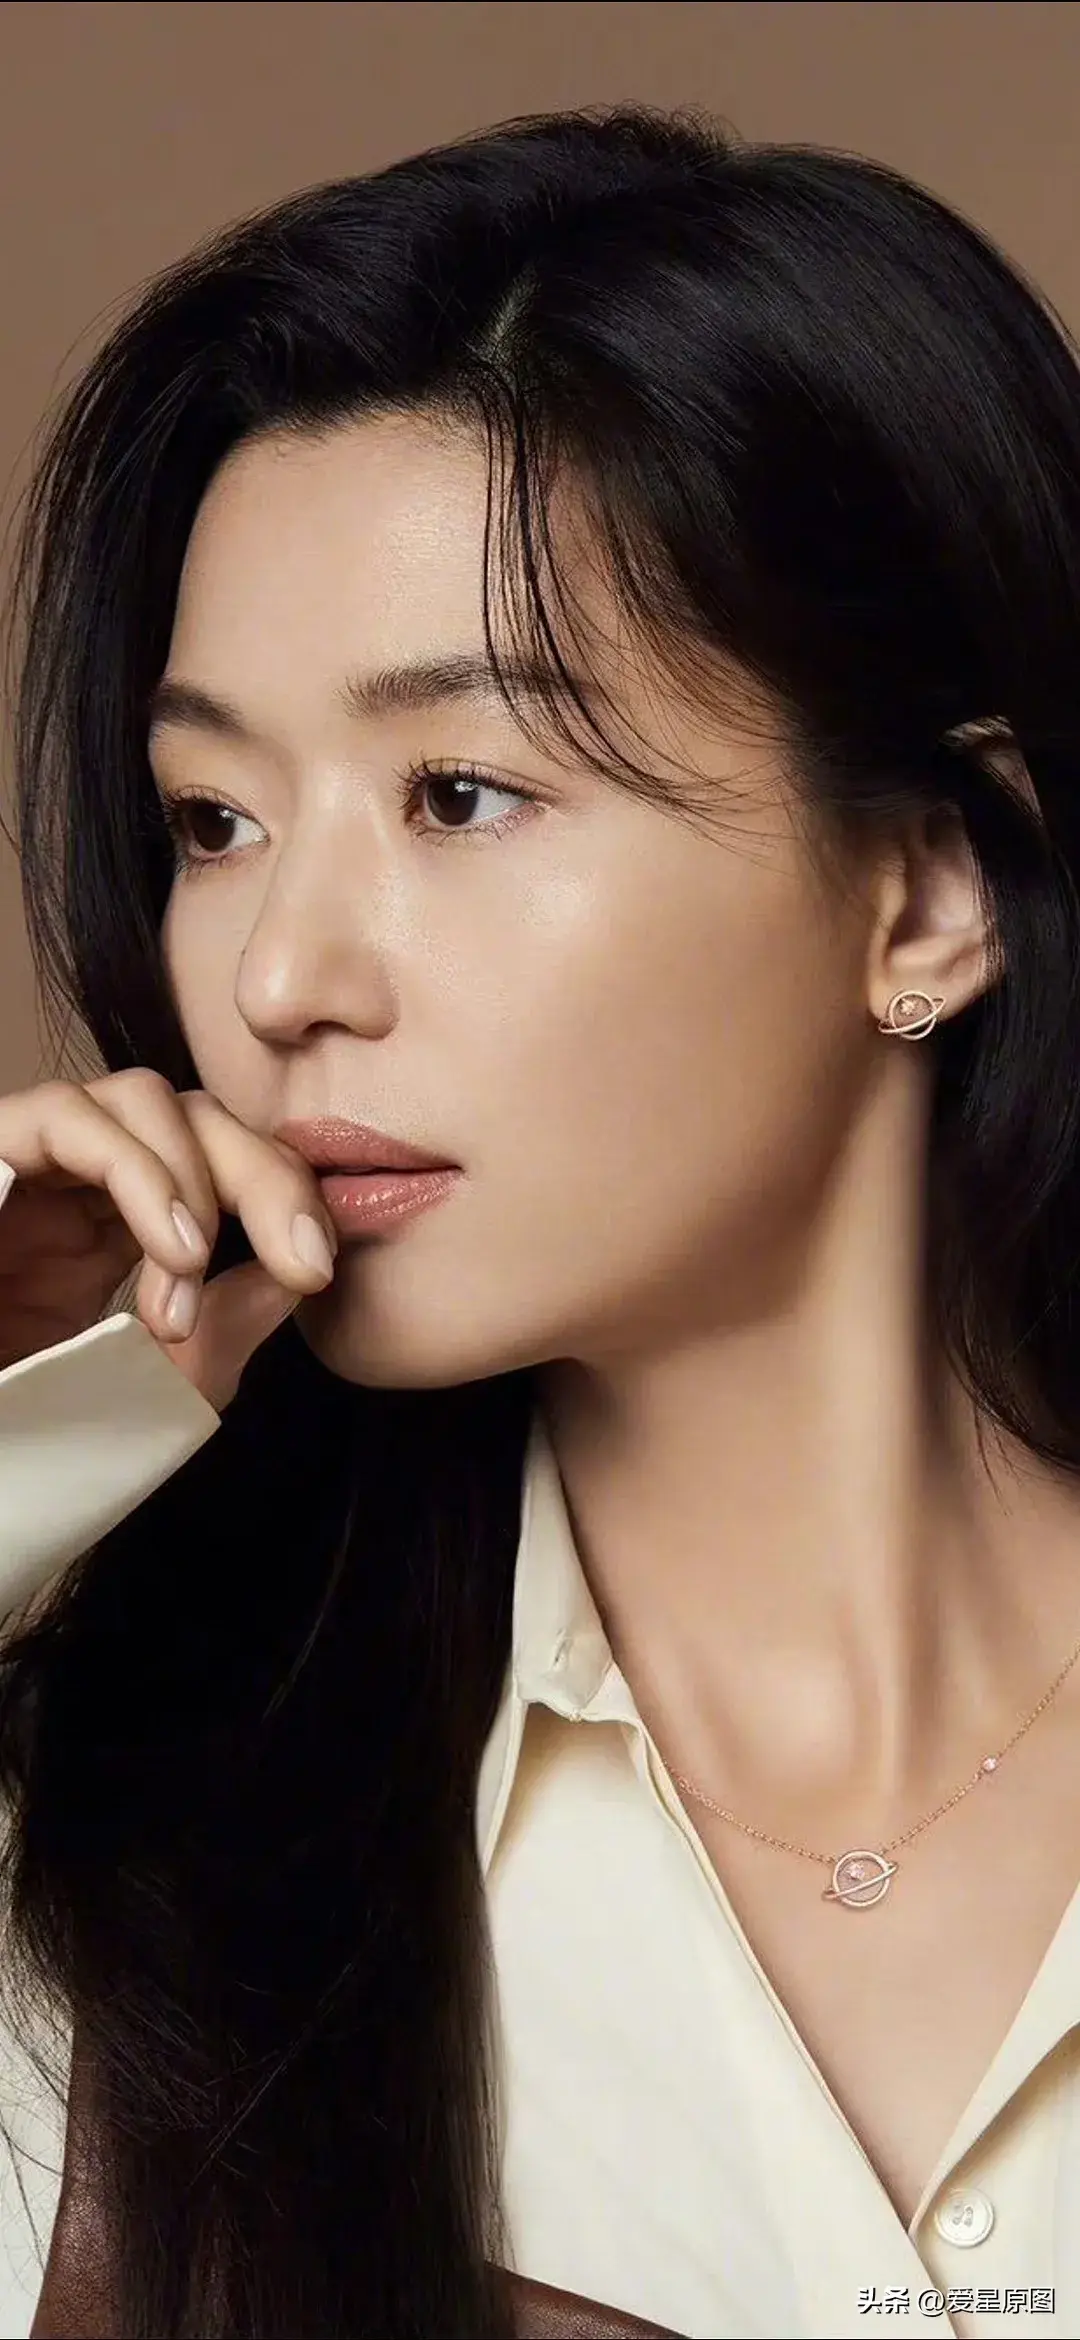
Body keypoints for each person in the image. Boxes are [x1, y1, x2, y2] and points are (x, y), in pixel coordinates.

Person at [0, 98, 1078, 2340]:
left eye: (459, 792)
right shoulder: (111, 1867)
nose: (279, 981)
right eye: (211, 819)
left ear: (930, 889)